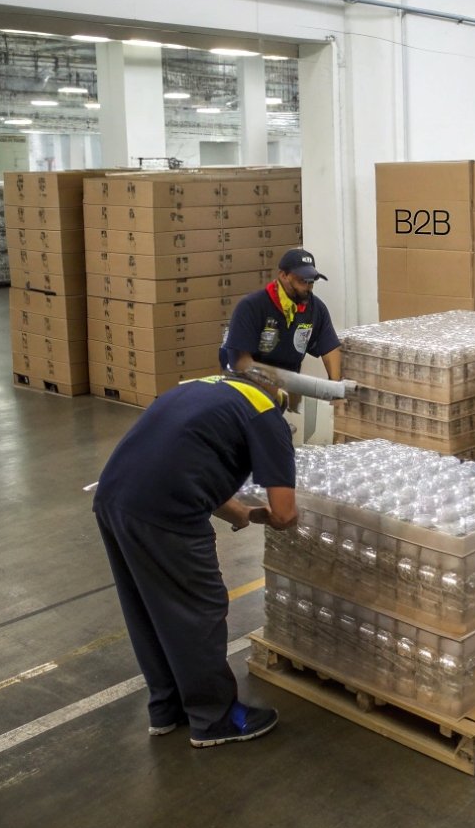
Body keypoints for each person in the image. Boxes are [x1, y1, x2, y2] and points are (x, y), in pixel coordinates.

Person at [93, 374, 299, 748]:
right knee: (199, 608)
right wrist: (294, 520)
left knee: (148, 608)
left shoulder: (203, 390)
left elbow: (184, 460)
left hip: (113, 497)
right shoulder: (267, 416)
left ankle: (167, 707)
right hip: (166, 512)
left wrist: (241, 513)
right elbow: (285, 515)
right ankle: (215, 717)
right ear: (280, 403)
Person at [220, 247, 342, 383]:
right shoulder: (252, 306)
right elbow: (240, 361)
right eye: (302, 281)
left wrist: (336, 389)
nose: (308, 287)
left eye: (311, 281)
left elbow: (331, 349)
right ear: (283, 276)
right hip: (248, 386)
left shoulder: (316, 309)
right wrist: (274, 387)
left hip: (287, 385)